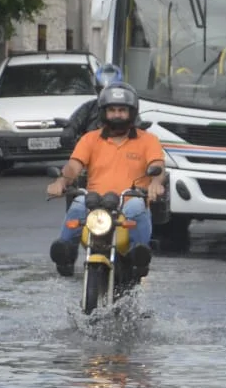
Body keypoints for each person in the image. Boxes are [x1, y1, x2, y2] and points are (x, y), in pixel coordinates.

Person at [46, 83, 165, 279]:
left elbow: (157, 166)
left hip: (129, 201)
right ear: (103, 113)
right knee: (78, 204)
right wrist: (62, 181)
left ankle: (139, 257)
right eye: (112, 110)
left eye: (122, 110)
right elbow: (74, 166)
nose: (117, 115)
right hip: (95, 203)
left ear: (132, 112)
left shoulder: (148, 140)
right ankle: (65, 255)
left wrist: (155, 183)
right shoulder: (89, 139)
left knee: (137, 206)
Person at [59, 63, 123, 156]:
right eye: (101, 90)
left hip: (121, 154)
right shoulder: (89, 107)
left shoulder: (127, 108)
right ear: (97, 89)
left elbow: (136, 125)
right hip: (92, 154)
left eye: (110, 90)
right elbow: (76, 120)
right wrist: (69, 130)